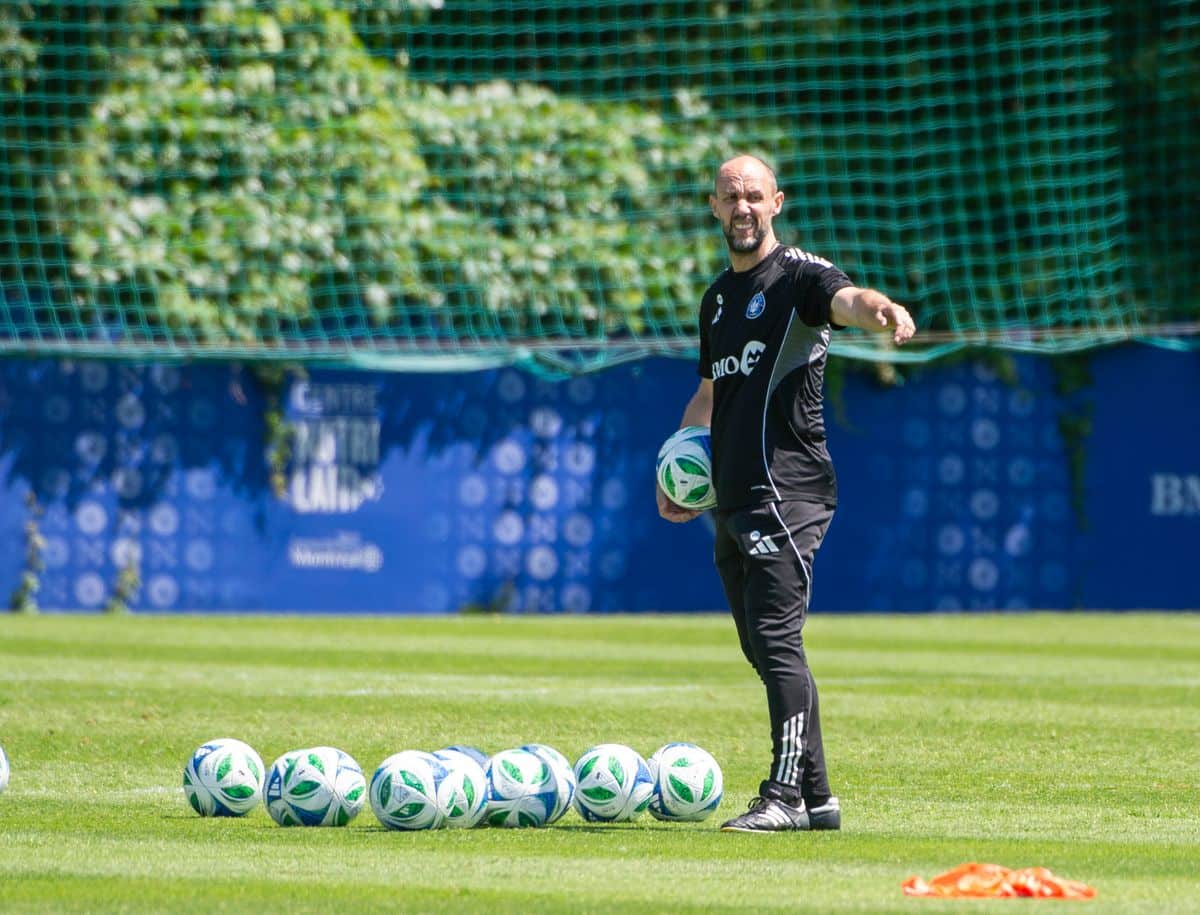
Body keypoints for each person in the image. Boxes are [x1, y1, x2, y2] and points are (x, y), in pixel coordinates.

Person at [657, 154, 915, 832]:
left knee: (776, 640)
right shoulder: (716, 299)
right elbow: (710, 395)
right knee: (762, 647)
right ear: (714, 206)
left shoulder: (799, 275)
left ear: (777, 202)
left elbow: (847, 299)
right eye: (730, 196)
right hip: (733, 495)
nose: (742, 207)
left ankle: (785, 795)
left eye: (754, 196)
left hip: (787, 490)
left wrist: (880, 308)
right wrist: (676, 472)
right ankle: (820, 796)